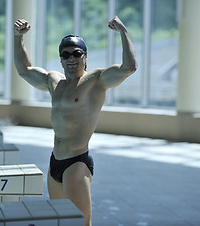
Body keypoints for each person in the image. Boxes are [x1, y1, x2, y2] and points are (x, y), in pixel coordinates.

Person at [13, 16, 137, 226]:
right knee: (60, 222)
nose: (72, 58)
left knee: (81, 224)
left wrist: (123, 31)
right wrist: (18, 38)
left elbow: (129, 67)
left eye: (77, 53)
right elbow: (24, 70)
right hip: (55, 163)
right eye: (66, 54)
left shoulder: (96, 80)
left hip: (76, 163)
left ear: (85, 57)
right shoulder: (54, 81)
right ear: (60, 59)